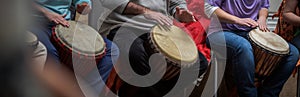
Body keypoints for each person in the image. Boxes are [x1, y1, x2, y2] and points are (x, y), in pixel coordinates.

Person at [98, 0, 208, 97]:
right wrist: (146, 11)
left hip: (158, 28)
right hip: (123, 25)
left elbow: (176, 3)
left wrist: (180, 12)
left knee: (200, 63)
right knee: (135, 54)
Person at [205, 0, 299, 97]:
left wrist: (262, 18)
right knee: (243, 46)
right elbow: (208, 8)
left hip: (248, 32)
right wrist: (237, 20)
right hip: (220, 32)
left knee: (292, 53)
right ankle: (249, 94)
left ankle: (268, 94)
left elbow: (264, 6)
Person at [29, 0, 119, 95]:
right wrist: (46, 12)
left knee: (111, 50)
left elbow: (81, 2)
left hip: (64, 24)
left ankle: (83, 93)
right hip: (37, 23)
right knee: (50, 53)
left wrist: (84, 6)